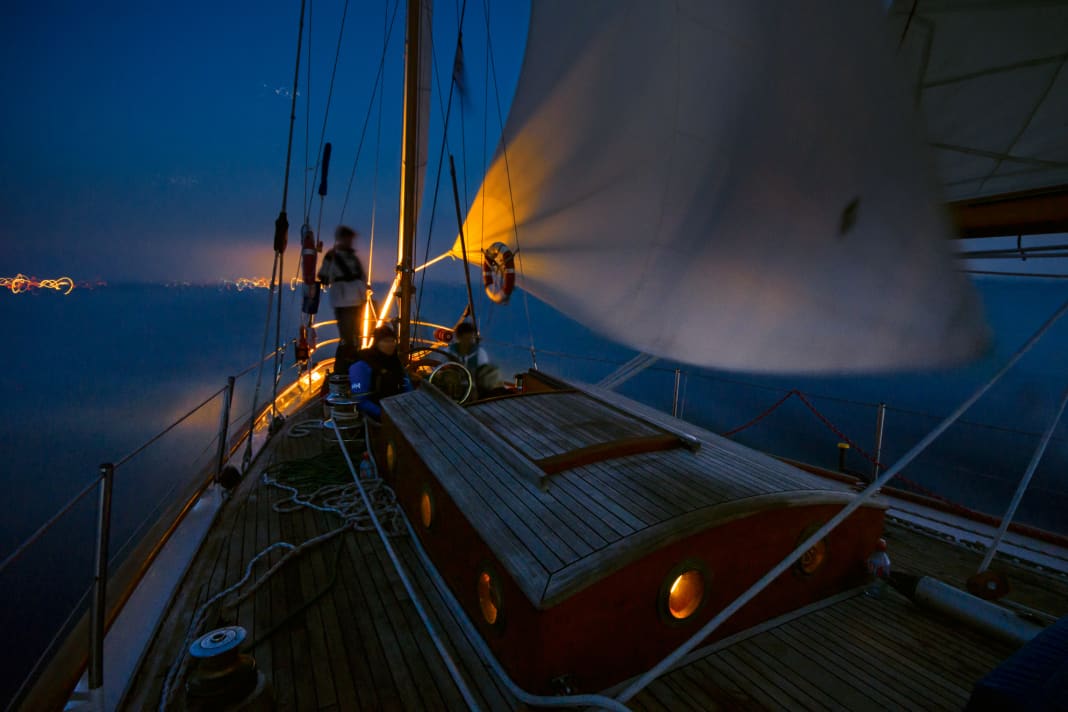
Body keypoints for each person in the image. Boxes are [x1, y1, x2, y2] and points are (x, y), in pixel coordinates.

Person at [317, 225, 366, 374]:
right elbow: (324, 276)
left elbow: (323, 277)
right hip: (345, 302)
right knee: (348, 337)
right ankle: (346, 368)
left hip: (353, 301)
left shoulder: (347, 257)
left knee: (351, 336)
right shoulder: (335, 257)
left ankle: (348, 366)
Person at [350, 324, 412, 420]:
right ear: (377, 343)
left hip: (398, 409)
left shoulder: (395, 362)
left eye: (393, 341)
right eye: (386, 341)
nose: (391, 344)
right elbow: (359, 399)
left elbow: (407, 386)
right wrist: (384, 414)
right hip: (376, 415)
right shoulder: (362, 365)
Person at [447, 322, 504, 398]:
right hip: (449, 391)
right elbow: (439, 370)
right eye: (465, 339)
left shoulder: (480, 353)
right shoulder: (448, 352)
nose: (468, 342)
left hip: (474, 392)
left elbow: (484, 374)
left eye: (470, 339)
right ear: (458, 337)